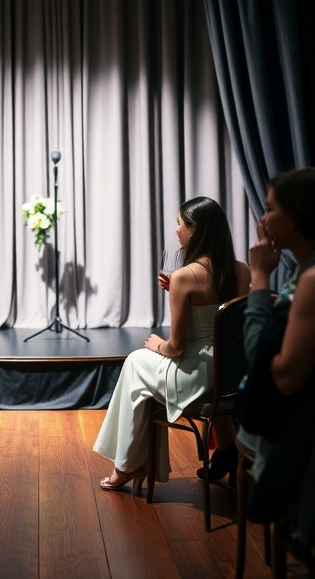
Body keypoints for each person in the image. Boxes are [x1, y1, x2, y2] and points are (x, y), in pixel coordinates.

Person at [93, 195, 250, 493]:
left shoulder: (184, 277)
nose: (176, 230)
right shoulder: (242, 269)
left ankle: (127, 466)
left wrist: (156, 344)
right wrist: (177, 288)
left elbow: (177, 346)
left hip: (198, 375)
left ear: (195, 229)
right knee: (141, 372)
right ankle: (228, 447)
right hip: (230, 372)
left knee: (135, 362)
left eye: (179, 224)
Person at [237, 167, 315, 566]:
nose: (261, 220)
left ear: (296, 216)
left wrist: (260, 277)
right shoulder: (303, 272)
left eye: (269, 209)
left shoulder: (311, 280)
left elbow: (279, 373)